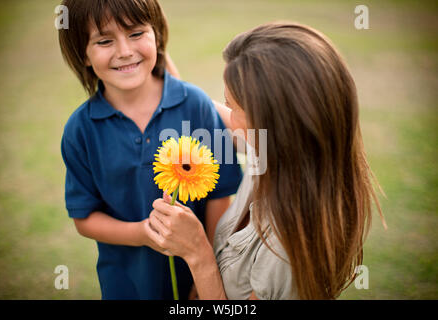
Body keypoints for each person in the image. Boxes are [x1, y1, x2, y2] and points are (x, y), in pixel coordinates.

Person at [146, 22, 387, 300]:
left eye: (233, 107)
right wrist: (151, 48)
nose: (227, 116)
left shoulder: (289, 249)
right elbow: (201, 107)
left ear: (275, 124)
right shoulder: (282, 155)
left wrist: (198, 253)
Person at [58, 0, 242, 300]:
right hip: (126, 286)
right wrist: (142, 233)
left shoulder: (194, 105)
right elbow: (84, 218)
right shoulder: (81, 129)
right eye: (105, 41)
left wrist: (207, 270)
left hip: (199, 285)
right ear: (84, 55)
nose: (125, 51)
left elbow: (220, 196)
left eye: (135, 33)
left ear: (156, 35)